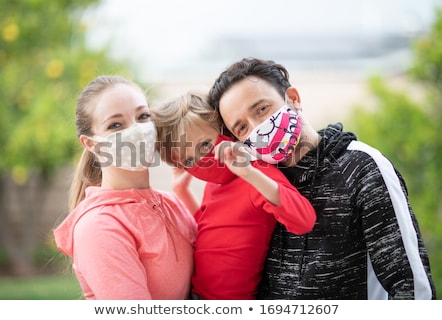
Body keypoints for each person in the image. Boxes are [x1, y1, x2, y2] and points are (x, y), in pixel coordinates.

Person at [208, 57, 436, 299]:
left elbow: (412, 287)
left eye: (262, 109)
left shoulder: (362, 167)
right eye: (242, 128)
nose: (257, 128)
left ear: (293, 99)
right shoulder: (256, 186)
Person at [151, 90, 316, 299]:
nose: (202, 161)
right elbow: (211, 231)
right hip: (196, 294)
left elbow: (304, 220)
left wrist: (249, 172)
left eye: (205, 145)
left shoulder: (256, 172)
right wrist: (182, 191)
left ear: (225, 133)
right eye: (189, 161)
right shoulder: (215, 185)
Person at [53, 75, 197, 300]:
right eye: (116, 125)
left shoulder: (172, 203)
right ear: (91, 144)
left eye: (143, 116)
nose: (138, 131)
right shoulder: (100, 226)